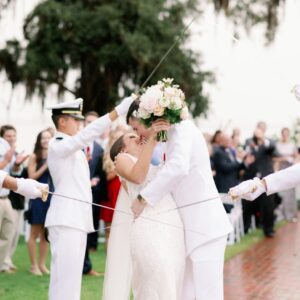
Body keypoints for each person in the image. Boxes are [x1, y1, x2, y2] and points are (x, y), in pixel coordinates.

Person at [127, 100, 232, 300]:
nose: (137, 133)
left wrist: (143, 198)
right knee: (186, 293)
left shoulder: (183, 129)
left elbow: (178, 167)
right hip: (188, 228)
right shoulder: (171, 135)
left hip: (205, 226)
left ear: (146, 118)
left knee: (207, 294)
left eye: (135, 127)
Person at [45, 96, 133, 300]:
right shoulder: (58, 143)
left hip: (75, 219)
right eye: (75, 119)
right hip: (66, 219)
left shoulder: (69, 146)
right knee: (64, 280)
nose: (79, 123)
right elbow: (87, 135)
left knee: (71, 280)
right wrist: (117, 111)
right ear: (62, 121)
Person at [102, 131, 185, 300]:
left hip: (170, 225)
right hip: (148, 226)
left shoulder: (152, 162)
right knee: (157, 275)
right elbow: (138, 177)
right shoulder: (123, 159)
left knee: (173, 276)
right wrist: (152, 140)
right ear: (122, 149)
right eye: (131, 138)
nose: (138, 137)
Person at [0, 169, 47, 273]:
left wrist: (20, 184)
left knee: (8, 235)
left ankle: (3, 264)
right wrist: (21, 185)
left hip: (6, 197)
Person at [0, 127, 29, 272]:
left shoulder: (13, 153)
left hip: (6, 198)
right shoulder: (4, 152)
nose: (11, 138)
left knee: (9, 232)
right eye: (7, 135)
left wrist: (17, 163)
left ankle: (3, 264)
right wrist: (6, 159)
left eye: (13, 135)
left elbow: (14, 173)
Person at [27, 129, 54, 276]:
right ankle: (33, 265)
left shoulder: (54, 155)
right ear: (39, 140)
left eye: (48, 138)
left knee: (45, 233)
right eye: (43, 138)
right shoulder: (34, 156)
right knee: (34, 232)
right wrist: (45, 165)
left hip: (50, 196)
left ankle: (42, 264)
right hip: (37, 196)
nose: (45, 140)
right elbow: (31, 176)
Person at [274, 128, 298, 222]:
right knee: (282, 192)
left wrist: (294, 162)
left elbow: (296, 157)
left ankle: (291, 214)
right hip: (281, 170)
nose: (285, 135)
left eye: (286, 134)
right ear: (281, 134)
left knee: (291, 192)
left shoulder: (292, 145)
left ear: (289, 134)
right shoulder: (278, 145)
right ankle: (282, 214)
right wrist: (283, 159)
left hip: (290, 170)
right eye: (283, 134)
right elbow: (275, 159)